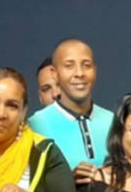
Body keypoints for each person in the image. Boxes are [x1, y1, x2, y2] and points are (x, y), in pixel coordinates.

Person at [28, 39, 114, 173]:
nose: (79, 73)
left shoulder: (114, 121)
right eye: (69, 66)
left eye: (86, 65)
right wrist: (68, 181)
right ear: (55, 73)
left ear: (95, 71)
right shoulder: (35, 125)